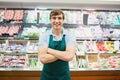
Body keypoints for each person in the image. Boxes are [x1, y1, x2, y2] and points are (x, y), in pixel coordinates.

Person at [38, 9, 76, 80]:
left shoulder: (70, 36)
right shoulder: (44, 36)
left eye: (59, 18)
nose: (57, 21)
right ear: (50, 20)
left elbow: (69, 56)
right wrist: (64, 54)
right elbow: (43, 59)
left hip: (64, 76)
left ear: (63, 20)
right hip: (47, 76)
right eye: (54, 18)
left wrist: (49, 50)